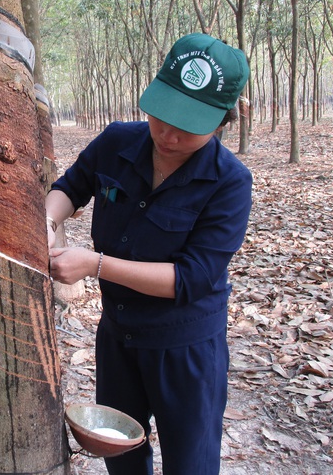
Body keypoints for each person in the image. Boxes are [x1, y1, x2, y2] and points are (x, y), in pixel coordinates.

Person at [46, 33, 252, 475]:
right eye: (162, 115)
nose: (169, 134)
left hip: (186, 348)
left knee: (191, 463)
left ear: (223, 120)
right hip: (119, 337)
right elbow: (71, 186)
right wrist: (47, 223)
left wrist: (95, 264)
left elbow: (192, 277)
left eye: (189, 125)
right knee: (121, 456)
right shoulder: (117, 143)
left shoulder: (230, 182)